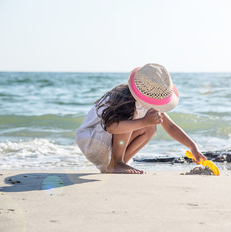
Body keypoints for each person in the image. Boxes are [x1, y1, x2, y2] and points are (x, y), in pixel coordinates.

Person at [75, 63, 206, 174]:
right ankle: (117, 164)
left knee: (151, 127)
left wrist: (192, 146)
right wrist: (143, 121)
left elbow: (170, 126)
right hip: (92, 142)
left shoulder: (148, 104)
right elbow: (111, 127)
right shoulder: (125, 98)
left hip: (105, 144)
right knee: (135, 120)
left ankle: (116, 165)